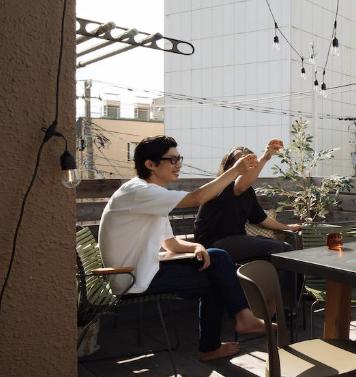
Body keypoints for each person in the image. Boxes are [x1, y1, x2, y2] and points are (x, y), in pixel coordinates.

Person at [98, 135, 265, 361]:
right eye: (172, 160)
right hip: (130, 277)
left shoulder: (150, 196)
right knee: (217, 273)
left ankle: (229, 330)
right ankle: (226, 332)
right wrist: (234, 171)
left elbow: (170, 243)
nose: (179, 165)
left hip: (143, 270)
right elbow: (198, 198)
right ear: (150, 164)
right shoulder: (138, 192)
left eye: (179, 159)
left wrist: (196, 246)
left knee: (216, 261)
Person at [194, 140, 302, 262]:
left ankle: (279, 282)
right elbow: (240, 185)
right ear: (229, 167)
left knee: (287, 248)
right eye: (242, 161)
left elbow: (261, 219)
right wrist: (266, 157)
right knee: (280, 249)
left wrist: (287, 227)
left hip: (238, 241)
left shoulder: (247, 191)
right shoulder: (220, 186)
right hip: (213, 245)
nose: (247, 163)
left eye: (251, 160)